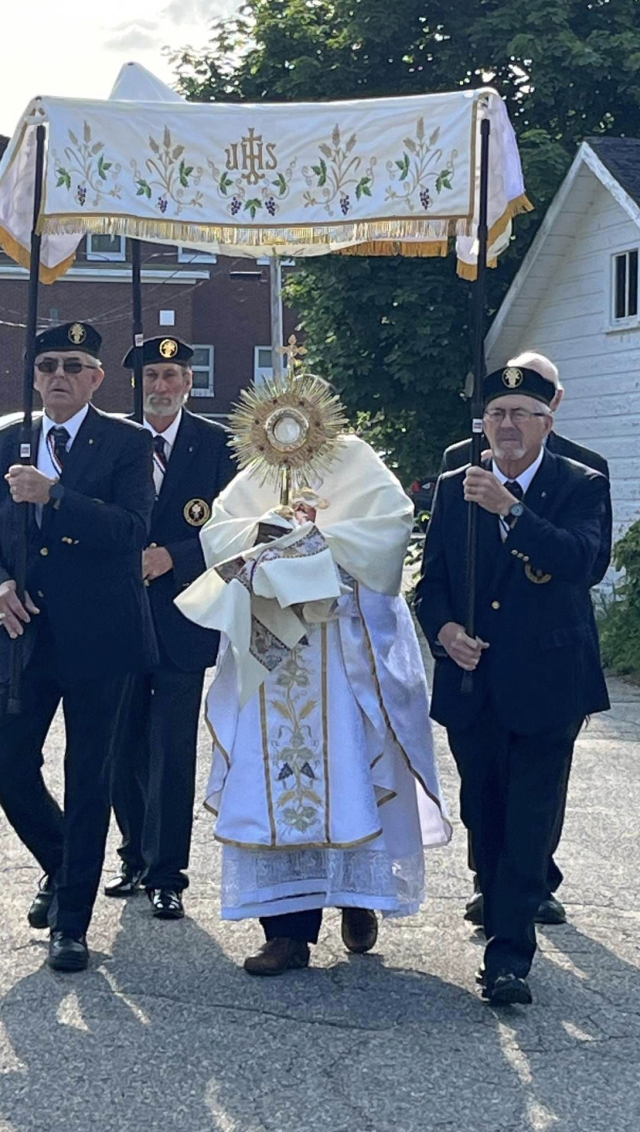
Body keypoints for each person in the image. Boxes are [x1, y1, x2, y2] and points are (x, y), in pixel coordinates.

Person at [176, 415, 451, 977]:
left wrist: (319, 542)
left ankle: (358, 898)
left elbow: (390, 530)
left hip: (341, 654)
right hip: (274, 650)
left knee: (350, 773)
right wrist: (267, 535)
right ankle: (287, 933)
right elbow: (220, 533)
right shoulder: (258, 469)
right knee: (274, 783)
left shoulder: (354, 458)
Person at [0, 321, 157, 973]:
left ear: (97, 377)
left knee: (88, 777)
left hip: (100, 635)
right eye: (47, 364)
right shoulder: (6, 445)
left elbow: (132, 529)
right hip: (25, 632)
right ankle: (63, 864)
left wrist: (57, 496)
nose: (58, 376)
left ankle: (71, 923)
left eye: (73, 365)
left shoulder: (126, 444)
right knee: (7, 766)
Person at [416, 364, 610, 1005]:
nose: (506, 426)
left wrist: (513, 511)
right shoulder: (454, 487)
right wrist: (443, 630)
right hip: (475, 681)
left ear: (546, 423)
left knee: (530, 817)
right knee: (485, 810)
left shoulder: (580, 483)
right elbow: (432, 582)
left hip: (550, 678)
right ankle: (497, 902)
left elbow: (584, 562)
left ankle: (508, 958)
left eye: (521, 414)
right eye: (497, 414)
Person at [105, 336, 236, 919]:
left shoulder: (217, 446)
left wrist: (174, 556)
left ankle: (167, 873)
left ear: (189, 383)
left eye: (171, 376)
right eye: (151, 377)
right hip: (119, 614)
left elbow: (237, 527)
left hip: (184, 616)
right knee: (119, 742)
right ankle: (133, 852)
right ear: (136, 384)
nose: (160, 387)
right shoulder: (112, 440)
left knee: (171, 746)